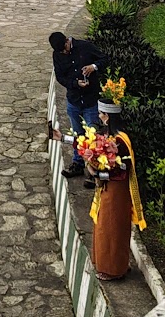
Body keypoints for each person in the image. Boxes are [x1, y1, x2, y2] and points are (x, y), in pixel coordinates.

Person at [85, 105, 145, 280]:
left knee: (112, 228)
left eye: (102, 114)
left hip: (117, 192)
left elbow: (121, 172)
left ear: (109, 116)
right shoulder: (109, 135)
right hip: (108, 189)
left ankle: (114, 269)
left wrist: (98, 173)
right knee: (104, 225)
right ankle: (106, 263)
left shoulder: (120, 141)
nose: (99, 116)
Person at [48, 31, 104, 180]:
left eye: (65, 49)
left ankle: (94, 168)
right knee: (78, 134)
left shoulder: (85, 47)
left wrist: (93, 66)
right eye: (61, 52)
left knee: (93, 136)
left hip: (90, 100)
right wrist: (74, 84)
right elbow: (60, 77)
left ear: (68, 41)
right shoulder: (58, 55)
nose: (64, 53)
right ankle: (78, 163)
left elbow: (105, 58)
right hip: (74, 99)